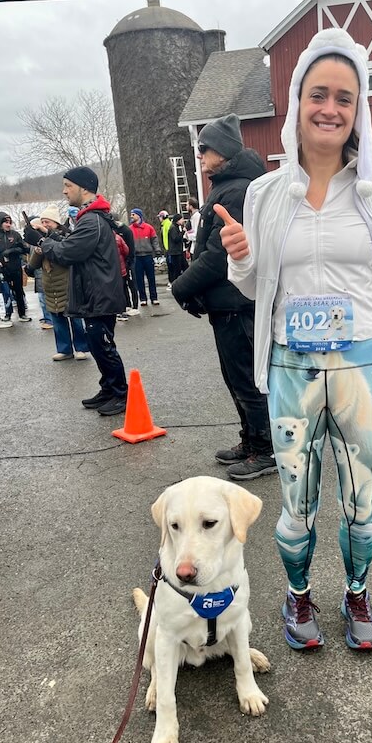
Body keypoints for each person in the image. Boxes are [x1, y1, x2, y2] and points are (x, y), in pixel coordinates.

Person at [218, 29, 372, 650]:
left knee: (361, 498)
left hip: (362, 360)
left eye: (344, 98)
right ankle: (297, 597)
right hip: (292, 365)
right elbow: (255, 287)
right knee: (296, 497)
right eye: (318, 93)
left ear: (358, 112)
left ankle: (355, 591)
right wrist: (240, 256)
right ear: (297, 103)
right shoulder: (265, 194)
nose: (330, 108)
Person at [171, 113, 276, 480]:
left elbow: (218, 255)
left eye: (206, 148)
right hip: (226, 304)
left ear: (225, 152)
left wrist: (180, 287)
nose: (200, 154)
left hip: (237, 303)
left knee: (247, 379)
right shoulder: (227, 185)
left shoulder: (237, 190)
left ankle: (267, 449)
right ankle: (251, 441)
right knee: (235, 378)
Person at [40, 166, 128, 415]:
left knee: (103, 345)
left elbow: (70, 253)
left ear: (84, 187)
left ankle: (122, 394)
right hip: (95, 292)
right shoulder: (90, 217)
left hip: (99, 294)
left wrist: (44, 243)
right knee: (96, 343)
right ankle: (109, 388)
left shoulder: (91, 219)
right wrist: (52, 238)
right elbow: (72, 244)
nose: (64, 190)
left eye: (68, 185)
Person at [25, 205, 90, 361]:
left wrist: (46, 239)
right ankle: (64, 349)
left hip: (67, 285)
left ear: (56, 223)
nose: (44, 225)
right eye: (43, 221)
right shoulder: (40, 241)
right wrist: (39, 251)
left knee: (75, 319)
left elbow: (66, 254)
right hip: (50, 286)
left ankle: (81, 348)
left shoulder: (66, 235)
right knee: (58, 321)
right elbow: (32, 266)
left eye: (47, 222)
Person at [0, 212, 31, 322]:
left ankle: (22, 313)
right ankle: (7, 314)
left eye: (9, 222)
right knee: (6, 292)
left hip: (15, 267)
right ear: (0, 223)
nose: (8, 224)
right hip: (3, 268)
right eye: (5, 222)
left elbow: (25, 248)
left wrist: (13, 250)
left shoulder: (15, 234)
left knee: (19, 291)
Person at [130, 208, 161, 306]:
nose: (131, 216)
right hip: (137, 257)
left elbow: (154, 240)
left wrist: (157, 250)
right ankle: (143, 298)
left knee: (151, 278)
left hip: (147, 256)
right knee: (139, 279)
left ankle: (154, 297)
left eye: (133, 214)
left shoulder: (149, 228)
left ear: (139, 215)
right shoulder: (130, 229)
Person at [167, 213, 187, 282]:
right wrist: (183, 232)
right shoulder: (173, 228)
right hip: (175, 253)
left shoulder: (176, 227)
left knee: (185, 267)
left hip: (178, 251)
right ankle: (176, 283)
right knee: (177, 270)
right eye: (181, 219)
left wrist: (184, 240)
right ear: (177, 220)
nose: (183, 220)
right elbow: (175, 239)